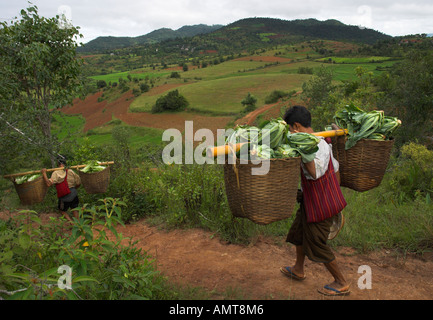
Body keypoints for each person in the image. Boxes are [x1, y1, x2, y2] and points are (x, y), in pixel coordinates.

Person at [280, 105, 350, 297]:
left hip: (320, 205)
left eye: (289, 128)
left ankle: (341, 282)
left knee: (317, 243)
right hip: (310, 200)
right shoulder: (321, 142)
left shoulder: (316, 145)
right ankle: (298, 269)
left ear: (295, 127)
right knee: (299, 233)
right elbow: (335, 168)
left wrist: (303, 149)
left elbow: (314, 172)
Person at [41, 156, 81, 222]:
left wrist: (44, 173)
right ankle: (78, 225)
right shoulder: (71, 171)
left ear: (58, 163)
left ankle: (71, 223)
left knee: (62, 210)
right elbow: (78, 183)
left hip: (65, 195)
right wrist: (73, 189)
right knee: (74, 209)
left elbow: (48, 184)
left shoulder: (56, 173)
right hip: (73, 193)